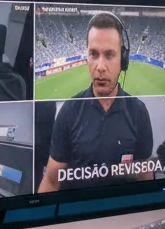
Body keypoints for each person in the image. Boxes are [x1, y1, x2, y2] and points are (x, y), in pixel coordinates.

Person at [38, 12, 154, 192]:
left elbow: (144, 177)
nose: (100, 67)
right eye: (93, 54)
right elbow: (52, 181)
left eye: (109, 55)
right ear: (86, 57)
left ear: (123, 60)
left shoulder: (138, 112)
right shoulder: (69, 111)